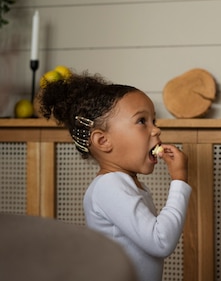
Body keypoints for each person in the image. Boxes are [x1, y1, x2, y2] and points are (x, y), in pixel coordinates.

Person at [38, 72, 191, 281]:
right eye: (141, 121)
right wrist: (179, 180)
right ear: (103, 141)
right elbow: (160, 241)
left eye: (153, 120)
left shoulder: (126, 183)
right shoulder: (110, 186)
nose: (156, 129)